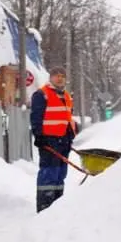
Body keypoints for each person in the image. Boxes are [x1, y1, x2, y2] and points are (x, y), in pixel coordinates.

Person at [29, 67, 77, 212]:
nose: (60, 78)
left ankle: (57, 206)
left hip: (64, 141)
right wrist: (39, 136)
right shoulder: (42, 94)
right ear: (50, 78)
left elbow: (67, 117)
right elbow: (36, 117)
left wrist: (70, 134)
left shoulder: (67, 96)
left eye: (62, 76)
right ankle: (45, 206)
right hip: (49, 141)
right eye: (56, 75)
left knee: (61, 174)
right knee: (49, 173)